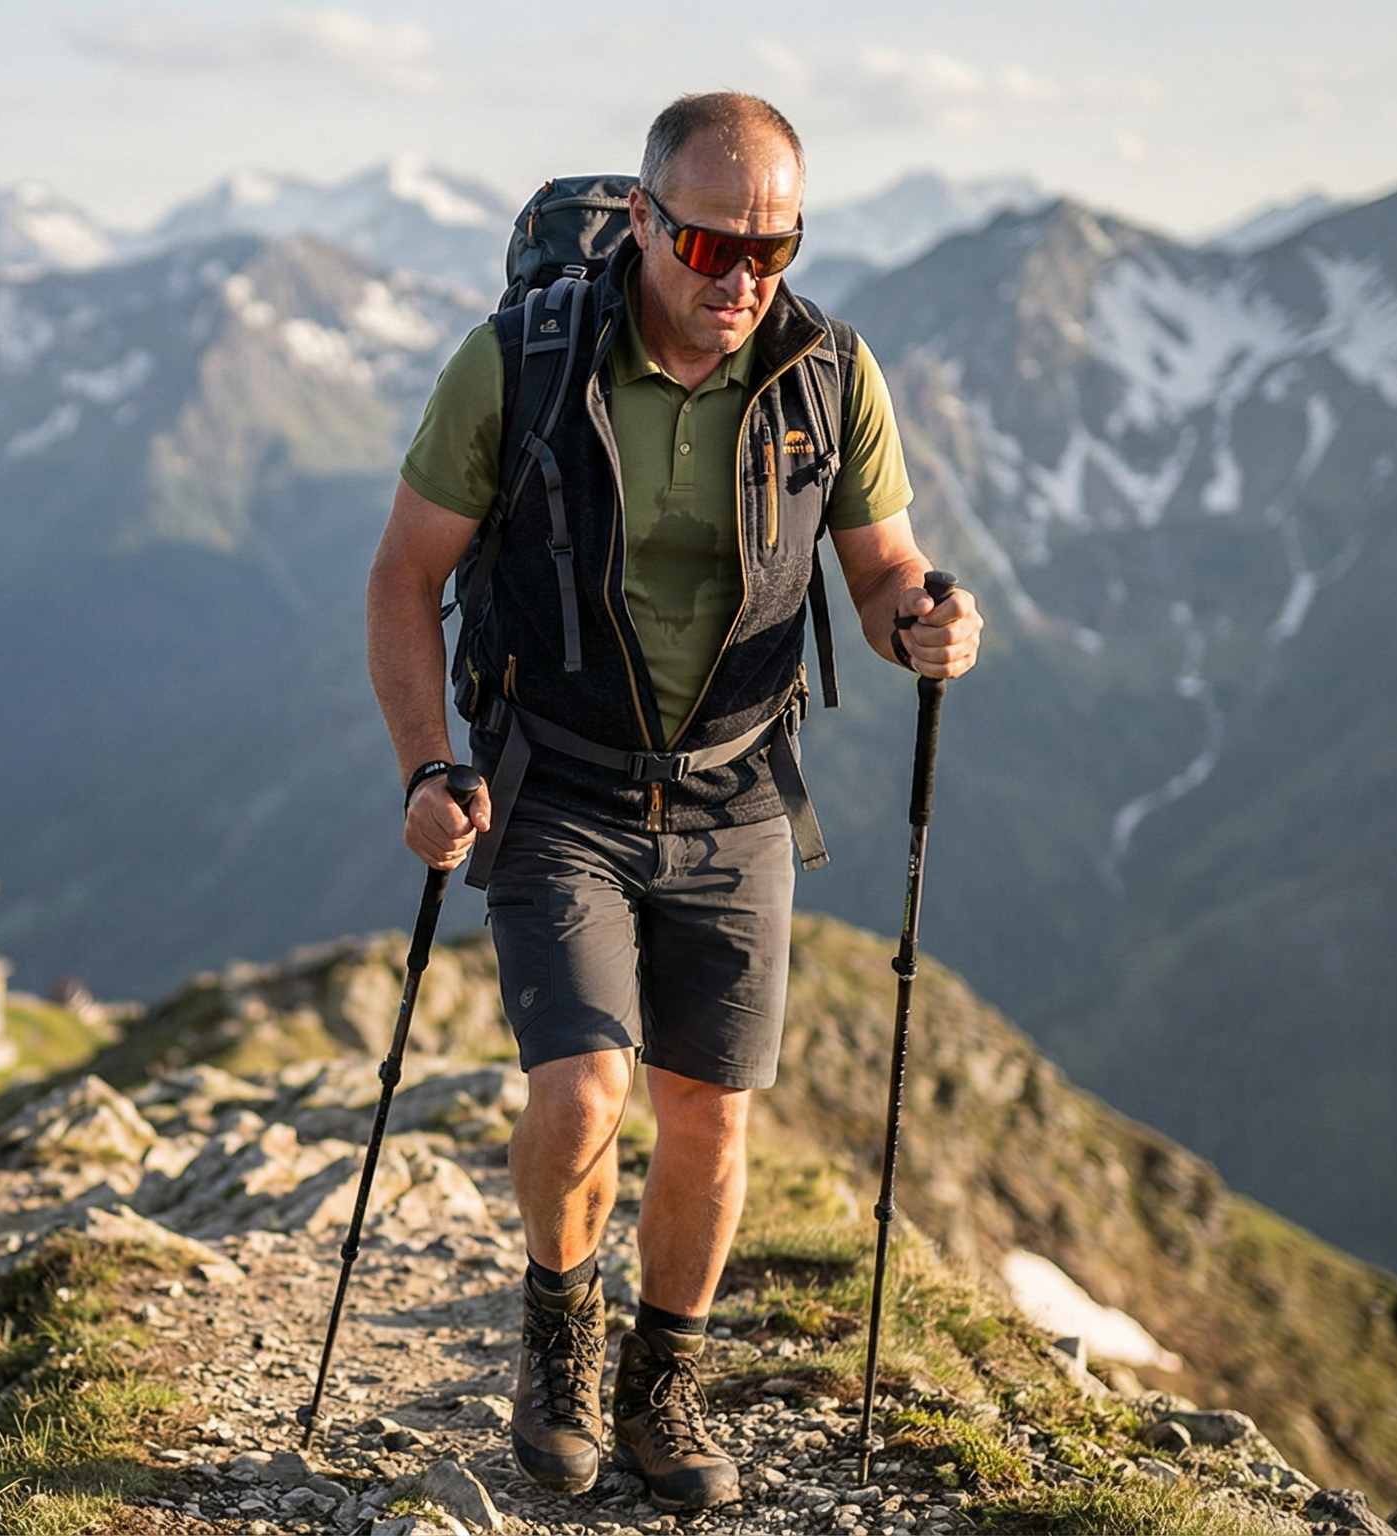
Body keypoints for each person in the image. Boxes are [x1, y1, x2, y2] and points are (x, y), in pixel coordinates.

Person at [363, 91, 981, 1513]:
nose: (743, 280)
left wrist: (926, 622)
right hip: (555, 782)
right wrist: (422, 767)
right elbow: (403, 577)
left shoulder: (829, 372)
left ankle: (666, 1381)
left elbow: (885, 575)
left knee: (711, 1115)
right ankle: (559, 1339)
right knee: (582, 1090)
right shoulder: (515, 366)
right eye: (709, 248)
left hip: (737, 793)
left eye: (774, 247)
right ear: (642, 220)